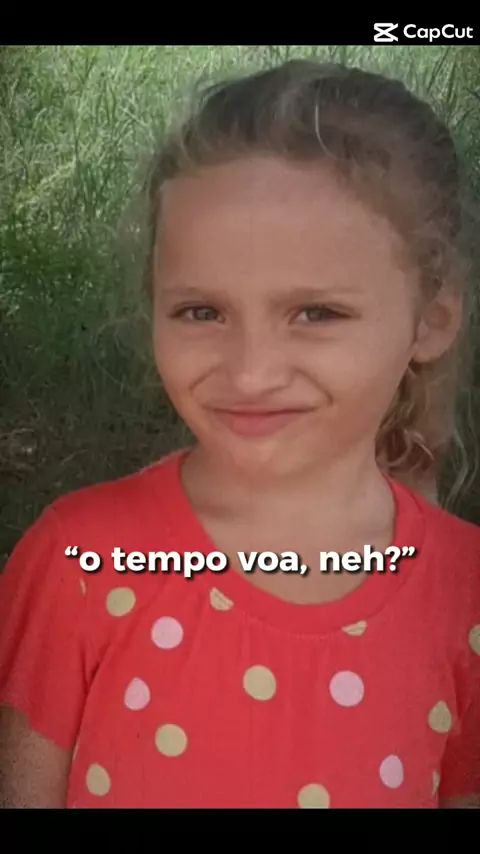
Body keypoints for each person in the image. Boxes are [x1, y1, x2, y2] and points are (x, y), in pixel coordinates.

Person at [1, 58, 479, 809]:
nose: (251, 373)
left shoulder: (465, 593)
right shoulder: (80, 565)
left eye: (316, 313)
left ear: (433, 319)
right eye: (203, 312)